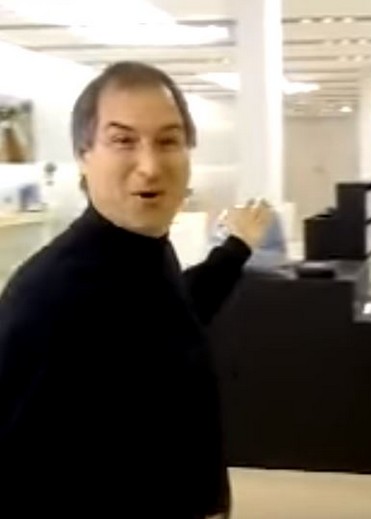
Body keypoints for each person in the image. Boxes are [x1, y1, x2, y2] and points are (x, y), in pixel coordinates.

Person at [0, 62, 273, 518]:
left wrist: (236, 249)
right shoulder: (49, 301)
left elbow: (169, 318)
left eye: (168, 141)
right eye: (123, 141)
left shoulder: (142, 251)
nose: (150, 167)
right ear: (84, 156)